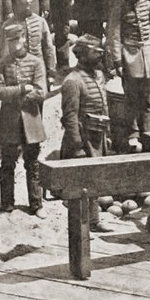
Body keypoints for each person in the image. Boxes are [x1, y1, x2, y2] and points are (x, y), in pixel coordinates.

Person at [0, 23, 49, 217]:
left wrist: (14, 96)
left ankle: (36, 205)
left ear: (24, 38)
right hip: (9, 120)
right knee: (7, 163)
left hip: (31, 119)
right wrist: (22, 89)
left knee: (32, 164)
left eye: (17, 39)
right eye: (10, 41)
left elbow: (41, 92)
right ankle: (6, 205)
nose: (14, 44)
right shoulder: (2, 63)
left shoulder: (36, 62)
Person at [59, 34, 113, 233]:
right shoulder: (72, 81)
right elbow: (70, 117)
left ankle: (94, 221)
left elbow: (104, 106)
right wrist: (78, 146)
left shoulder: (98, 76)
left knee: (94, 181)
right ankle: (81, 228)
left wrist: (106, 135)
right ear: (81, 55)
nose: (99, 56)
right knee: (80, 185)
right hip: (83, 140)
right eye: (94, 53)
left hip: (97, 137)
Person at [107, 0, 150, 150]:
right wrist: (117, 61)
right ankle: (132, 133)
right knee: (131, 97)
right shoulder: (119, 7)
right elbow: (114, 35)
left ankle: (148, 132)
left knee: (147, 97)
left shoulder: (149, 6)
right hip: (129, 56)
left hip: (148, 56)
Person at [5, 0, 56, 84]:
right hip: (17, 73)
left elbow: (48, 49)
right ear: (16, 1)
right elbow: (3, 53)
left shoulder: (40, 21)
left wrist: (51, 73)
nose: (28, 2)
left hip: (38, 71)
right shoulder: (8, 25)